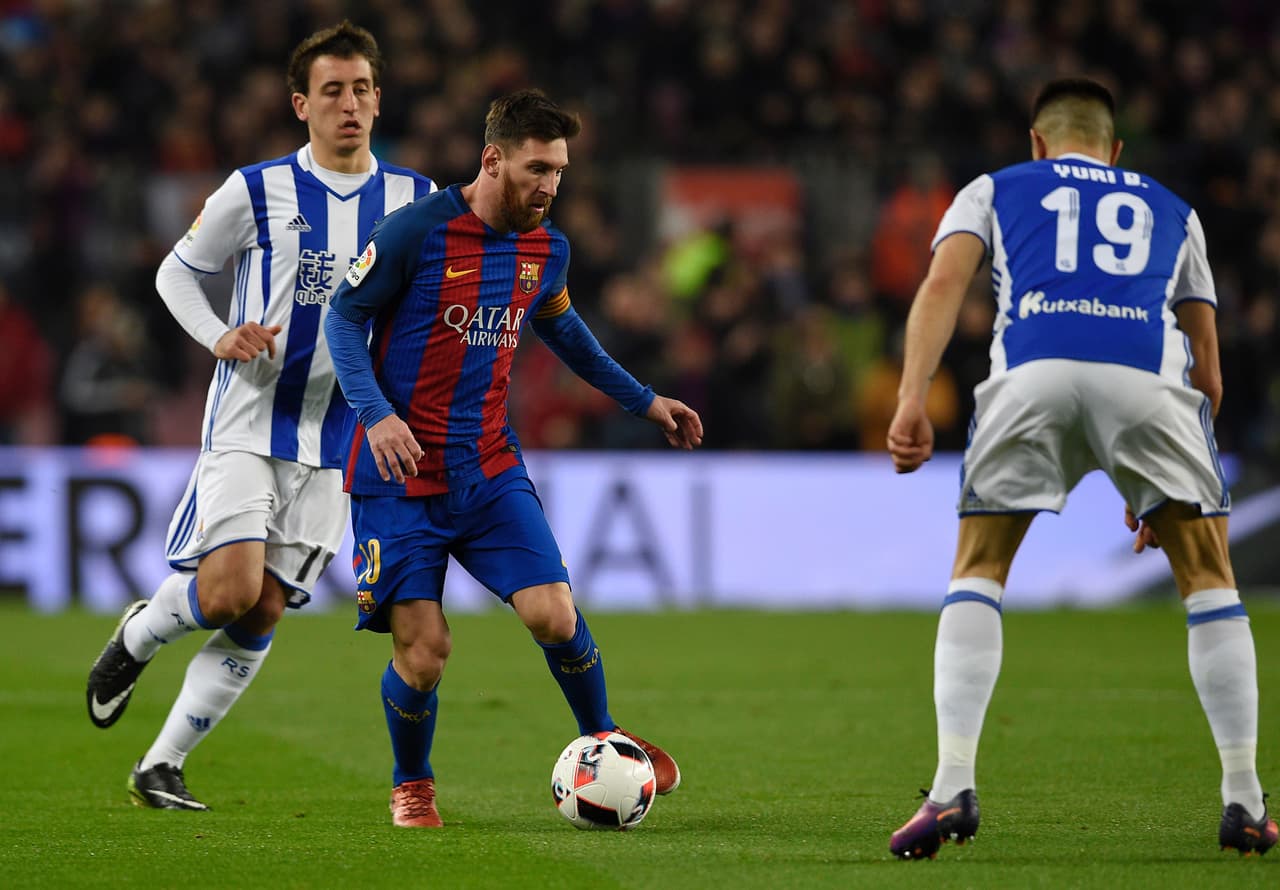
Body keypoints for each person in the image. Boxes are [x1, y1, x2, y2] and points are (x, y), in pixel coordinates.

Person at [885, 77, 1277, 859]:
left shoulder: (994, 187)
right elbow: (1209, 367)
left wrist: (910, 400)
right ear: (1116, 149)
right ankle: (1245, 801)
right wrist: (1162, 487)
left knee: (979, 571)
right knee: (1211, 579)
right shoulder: (1172, 208)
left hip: (1033, 371)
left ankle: (952, 785)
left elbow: (942, 285)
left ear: (1037, 141)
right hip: (1148, 383)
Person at [324, 89, 702, 828]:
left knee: (554, 614)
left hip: (489, 467)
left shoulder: (545, 248)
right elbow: (343, 318)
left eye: (559, 171)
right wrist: (378, 417)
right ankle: (412, 782)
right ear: (492, 159)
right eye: (537, 169)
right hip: (399, 479)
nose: (550, 187)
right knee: (425, 651)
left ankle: (605, 737)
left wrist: (646, 402)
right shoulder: (415, 233)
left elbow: (568, 337)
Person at [85, 21, 436, 810]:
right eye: (332, 91)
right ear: (300, 104)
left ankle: (160, 765)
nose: (349, 104)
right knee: (232, 589)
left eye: (361, 89)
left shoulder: (415, 201)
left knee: (268, 603)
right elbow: (178, 274)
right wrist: (220, 335)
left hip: (342, 438)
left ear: (380, 100)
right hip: (251, 417)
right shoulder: (255, 189)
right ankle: (140, 634)